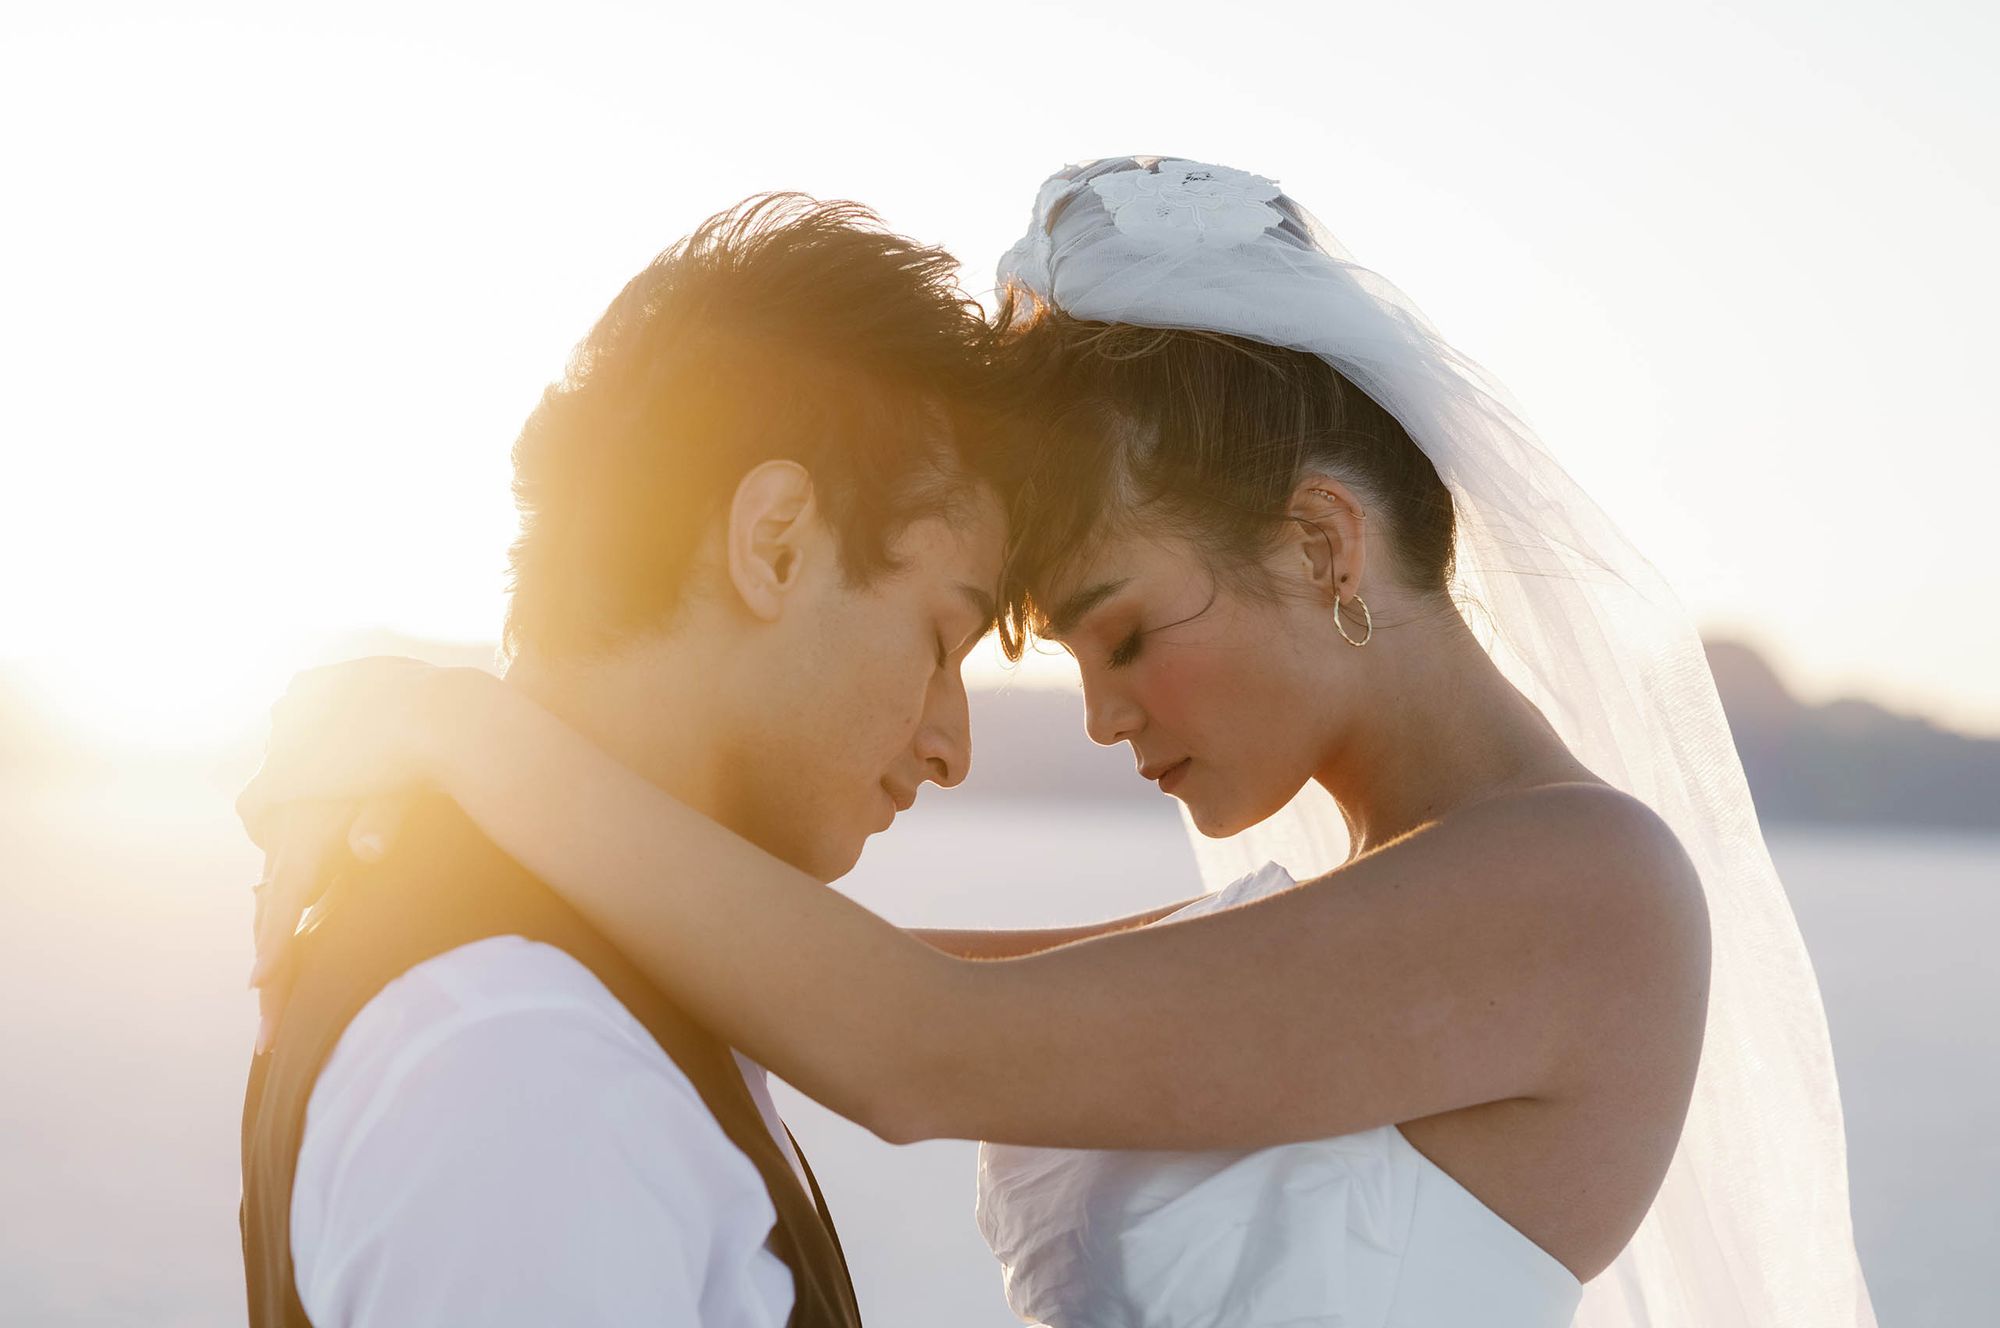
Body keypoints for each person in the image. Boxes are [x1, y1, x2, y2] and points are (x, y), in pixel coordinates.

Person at [242, 159, 1877, 1328]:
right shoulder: (1332, 929)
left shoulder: (1583, 892)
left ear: (1322, 546)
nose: (1099, 716)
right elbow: (811, 971)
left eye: (1127, 630)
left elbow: (916, 1040)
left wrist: (445, 723)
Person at [237, 193, 1035, 1327]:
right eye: (941, 640)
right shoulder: (519, 1069)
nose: (950, 744)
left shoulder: (589, 993)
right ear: (774, 543)